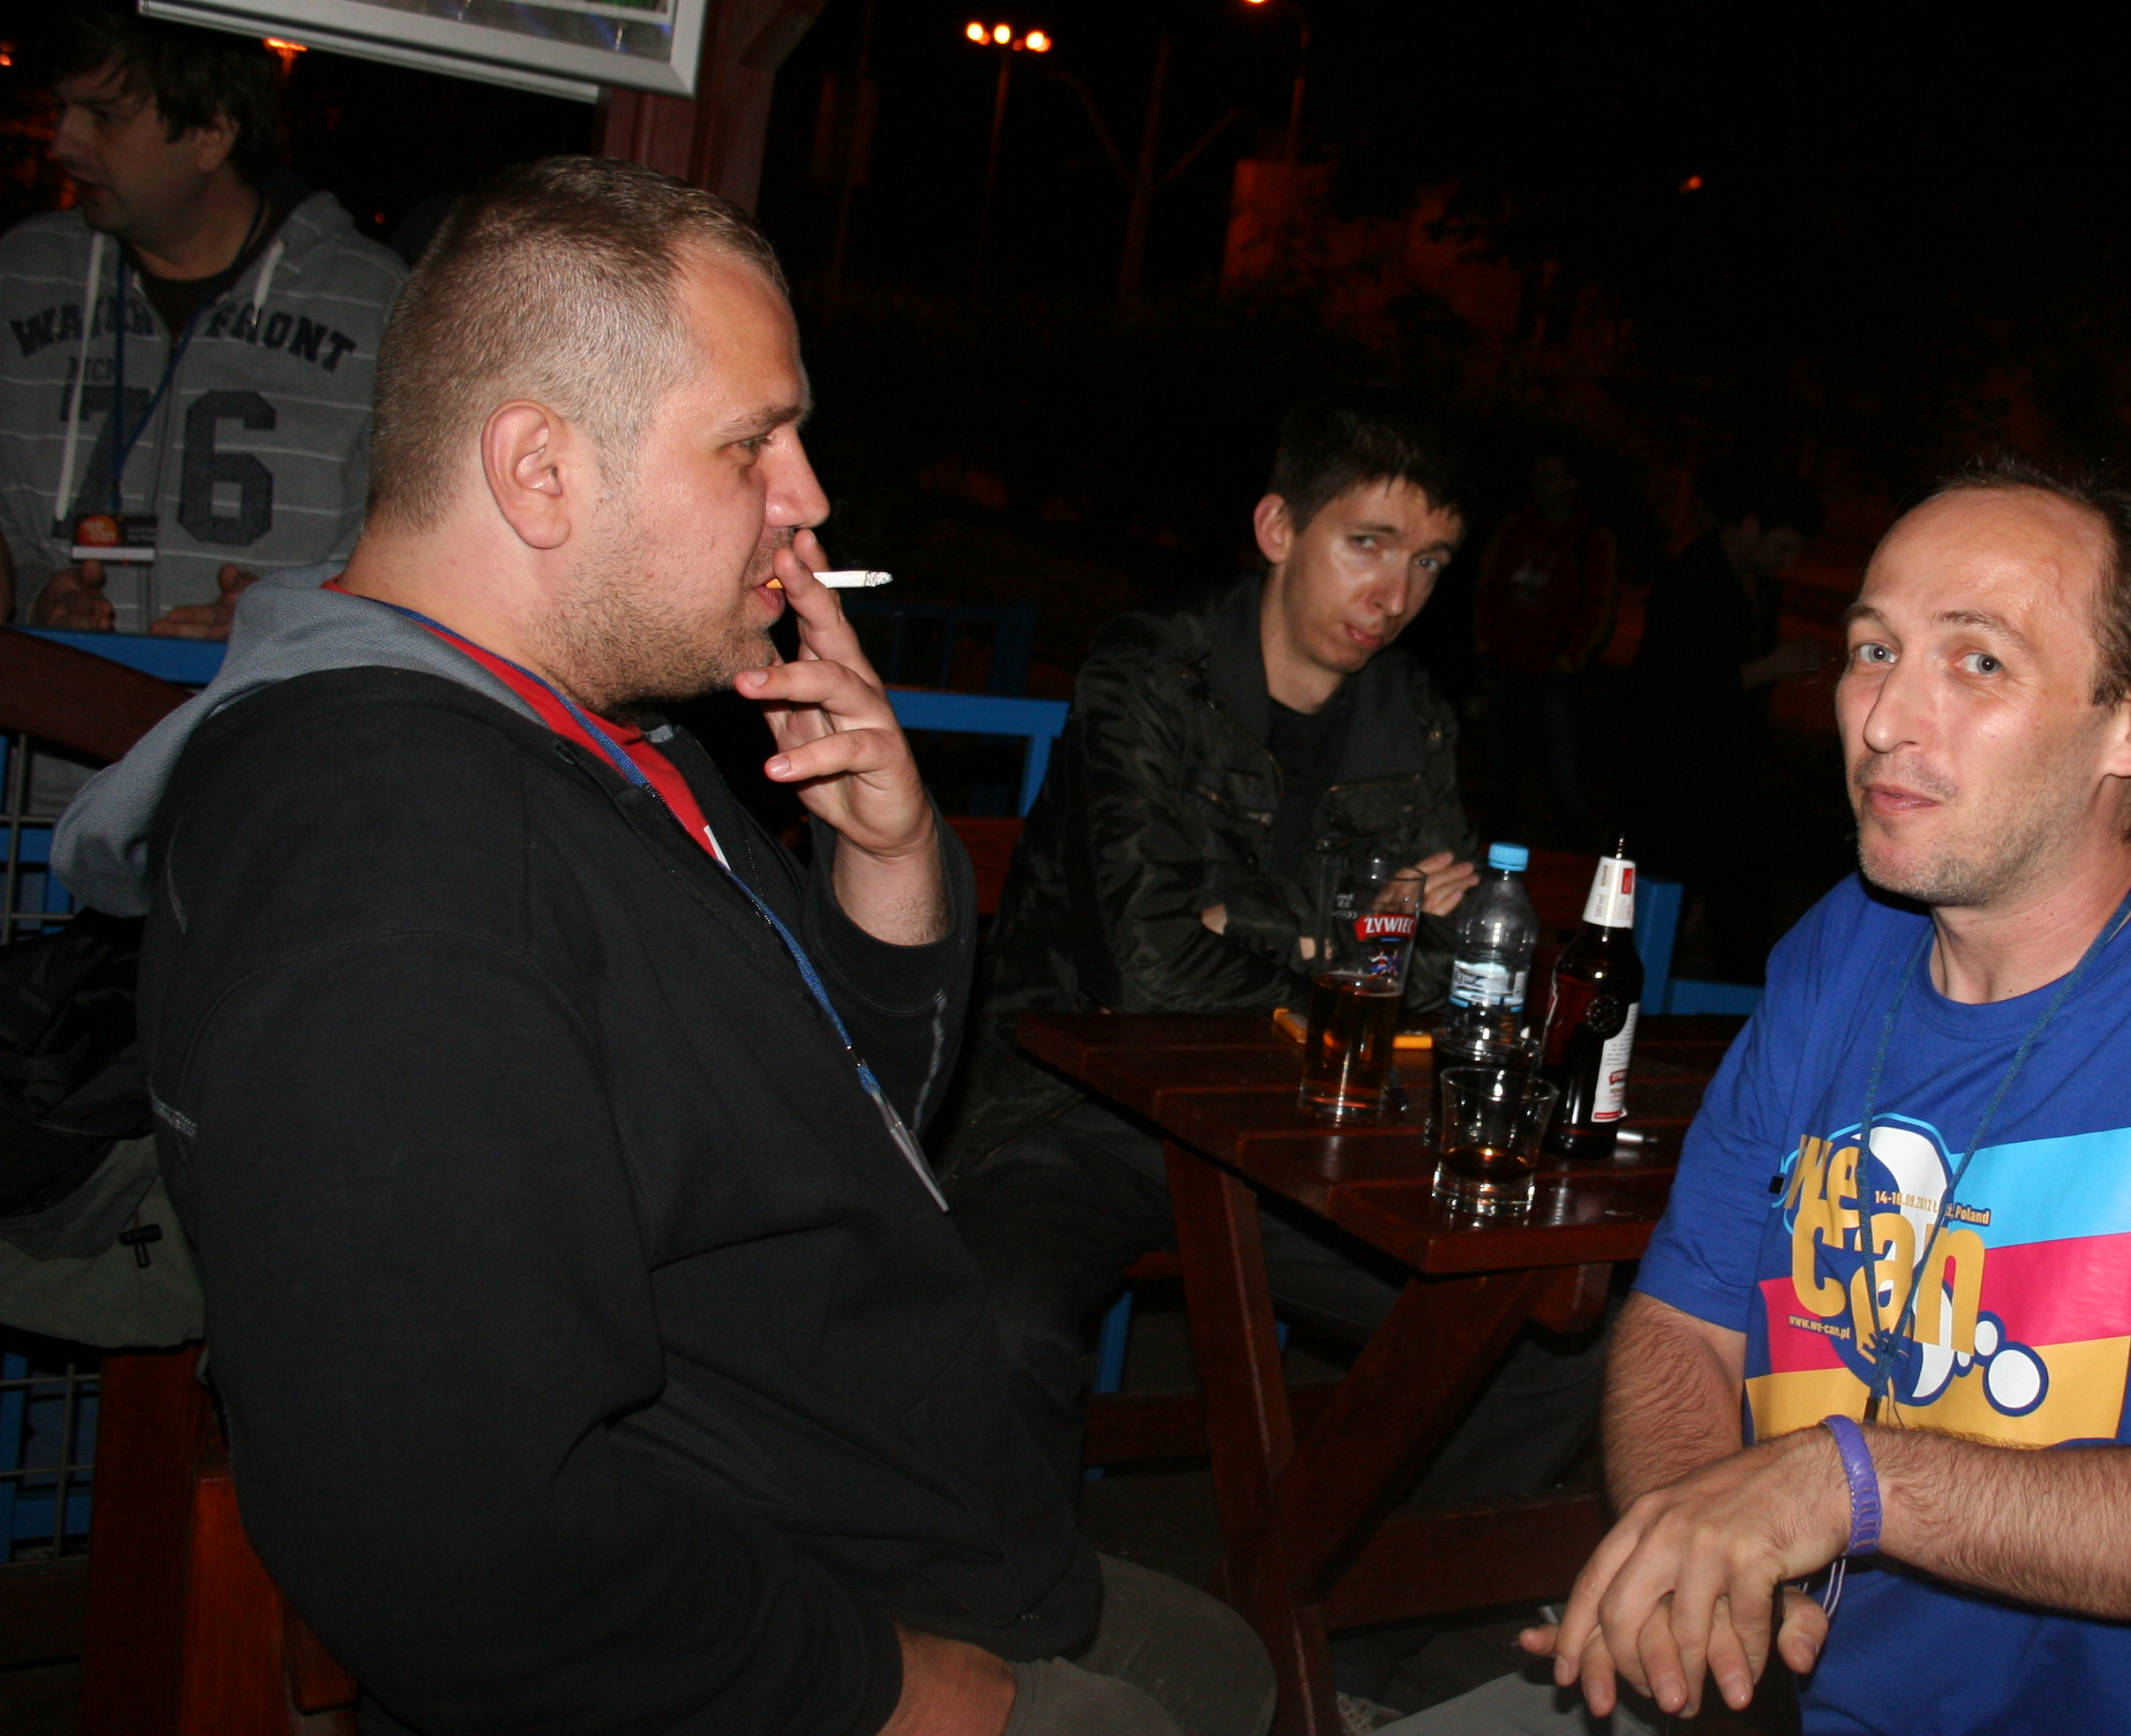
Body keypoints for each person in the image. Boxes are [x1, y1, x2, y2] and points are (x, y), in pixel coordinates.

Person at [49, 157, 1272, 1736]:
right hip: (784, 1621)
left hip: (888, 1515)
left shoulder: (602, 737)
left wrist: (886, 858)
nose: (808, 498)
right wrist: (900, 1689)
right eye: (753, 440)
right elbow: (455, 1547)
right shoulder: (398, 881)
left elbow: (843, 1120)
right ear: (540, 469)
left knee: (1229, 1665)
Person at [1396, 455, 2131, 1736]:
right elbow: (1682, 1326)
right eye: (1873, 652)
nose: (1882, 721)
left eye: (1977, 662)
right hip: (1769, 1696)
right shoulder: (1841, 945)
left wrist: (1842, 1485)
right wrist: (1709, 1571)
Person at [950, 394, 1602, 1519]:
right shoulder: (1152, 673)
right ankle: (1018, 1610)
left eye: (1431, 562)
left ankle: (1337, 1597)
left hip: (1311, 1127)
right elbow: (1145, 974)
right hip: (1083, 1114)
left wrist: (1251, 925)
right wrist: (1345, 937)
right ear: (1278, 528)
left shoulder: (1412, 716)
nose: (1396, 596)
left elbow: (1445, 980)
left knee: (1558, 1347)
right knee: (999, 1329)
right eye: (1369, 544)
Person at [0, 1, 403, 639]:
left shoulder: (375, 302)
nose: (63, 144)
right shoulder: (21, 274)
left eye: (103, 116)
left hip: (269, 703)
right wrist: (30, 593)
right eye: (62, 109)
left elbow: (415, 543)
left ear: (211, 132)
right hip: (48, 702)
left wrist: (288, 620)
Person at [1626, 469, 1830, 981]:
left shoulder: (1759, 585)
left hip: (1732, 779)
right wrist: (1770, 668)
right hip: (1679, 783)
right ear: (1750, 525)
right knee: (1661, 920)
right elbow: (1669, 687)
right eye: (1782, 547)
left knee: (1742, 921)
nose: (1788, 562)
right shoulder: (1690, 580)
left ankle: (1735, 1012)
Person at [1476, 449, 1617, 846]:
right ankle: (1499, 858)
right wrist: (1486, 644)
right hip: (1506, 667)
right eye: (1538, 475)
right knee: (1499, 773)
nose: (1541, 485)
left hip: (1553, 676)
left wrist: (1570, 659)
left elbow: (1599, 605)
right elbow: (1489, 586)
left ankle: (1579, 859)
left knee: (1563, 775)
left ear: (1571, 484)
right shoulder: (1514, 527)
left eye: (1552, 476)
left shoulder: (1591, 538)